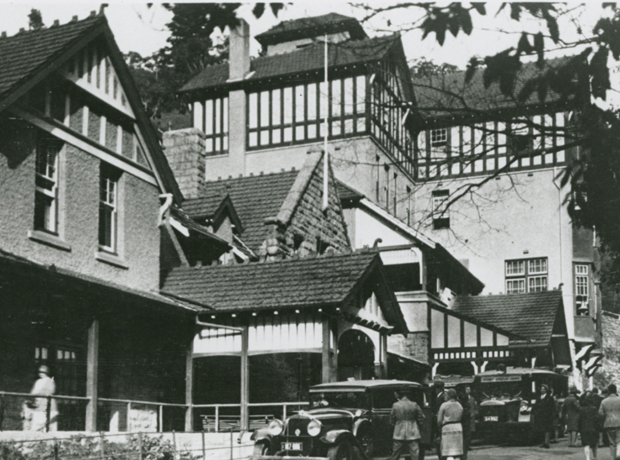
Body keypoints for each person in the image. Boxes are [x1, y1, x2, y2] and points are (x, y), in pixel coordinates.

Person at [389, 388, 426, 460]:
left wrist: (395, 424)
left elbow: (392, 418)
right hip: (413, 430)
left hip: (399, 431)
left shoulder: (395, 405)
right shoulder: (414, 404)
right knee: (415, 453)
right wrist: (419, 425)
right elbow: (422, 417)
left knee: (395, 453)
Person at [23, 365, 57, 432]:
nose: (41, 373)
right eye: (40, 372)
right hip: (39, 406)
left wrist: (38, 392)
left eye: (43, 372)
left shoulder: (50, 381)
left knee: (49, 427)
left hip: (47, 406)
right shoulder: (38, 381)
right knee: (37, 426)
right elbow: (33, 392)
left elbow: (50, 391)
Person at [437, 389, 463, 460]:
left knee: (448, 452)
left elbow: (439, 420)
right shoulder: (459, 405)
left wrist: (439, 428)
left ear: (448, 395)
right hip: (458, 427)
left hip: (447, 428)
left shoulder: (444, 405)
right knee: (457, 452)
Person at [599, 383, 620, 460]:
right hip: (619, 422)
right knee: (619, 440)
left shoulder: (604, 401)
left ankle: (612, 457)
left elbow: (600, 413)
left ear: (608, 391)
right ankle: (618, 453)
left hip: (608, 423)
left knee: (611, 442)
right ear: (615, 390)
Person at [579, 395, 602, 460]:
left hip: (584, 428)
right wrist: (599, 428)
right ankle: (595, 456)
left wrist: (579, 428)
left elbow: (579, 420)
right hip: (593, 428)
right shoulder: (594, 409)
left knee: (586, 444)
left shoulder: (581, 409)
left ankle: (587, 458)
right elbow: (597, 419)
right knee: (594, 443)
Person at [532, 384, 555, 448]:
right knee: (541, 429)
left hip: (547, 416)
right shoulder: (538, 397)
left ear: (546, 390)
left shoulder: (549, 398)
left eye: (543, 389)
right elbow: (535, 406)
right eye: (541, 389)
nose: (542, 390)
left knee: (547, 429)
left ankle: (547, 442)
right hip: (540, 416)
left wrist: (551, 415)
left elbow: (552, 407)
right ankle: (543, 442)